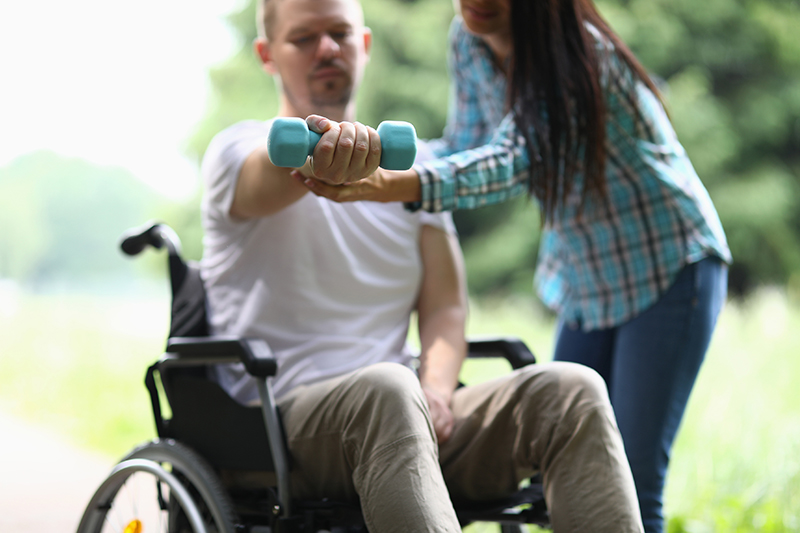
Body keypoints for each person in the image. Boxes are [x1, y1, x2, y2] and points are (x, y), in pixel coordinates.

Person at [200, 0, 645, 531]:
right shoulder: (236, 151)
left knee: (571, 390)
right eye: (304, 38)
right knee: (388, 389)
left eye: (339, 33)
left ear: (363, 46)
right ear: (267, 55)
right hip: (283, 428)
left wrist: (436, 389)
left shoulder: (417, 171)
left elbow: (447, 307)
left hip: (410, 414)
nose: (326, 48)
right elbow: (265, 176)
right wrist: (320, 154)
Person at [299, 1, 731, 532]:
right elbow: (466, 144)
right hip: (587, 277)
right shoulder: (470, 39)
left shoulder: (582, 57)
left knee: (635, 480)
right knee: (563, 466)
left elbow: (512, 160)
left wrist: (391, 185)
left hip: (669, 262)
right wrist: (367, 151)